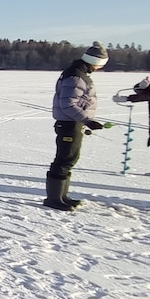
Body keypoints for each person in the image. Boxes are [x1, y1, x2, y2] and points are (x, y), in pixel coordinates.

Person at [45, 41, 112, 211]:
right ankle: (53, 199)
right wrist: (87, 120)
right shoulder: (76, 76)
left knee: (70, 158)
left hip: (74, 122)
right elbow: (68, 103)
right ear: (95, 62)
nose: (99, 68)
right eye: (100, 65)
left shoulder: (78, 74)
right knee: (64, 159)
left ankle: (62, 196)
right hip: (69, 123)